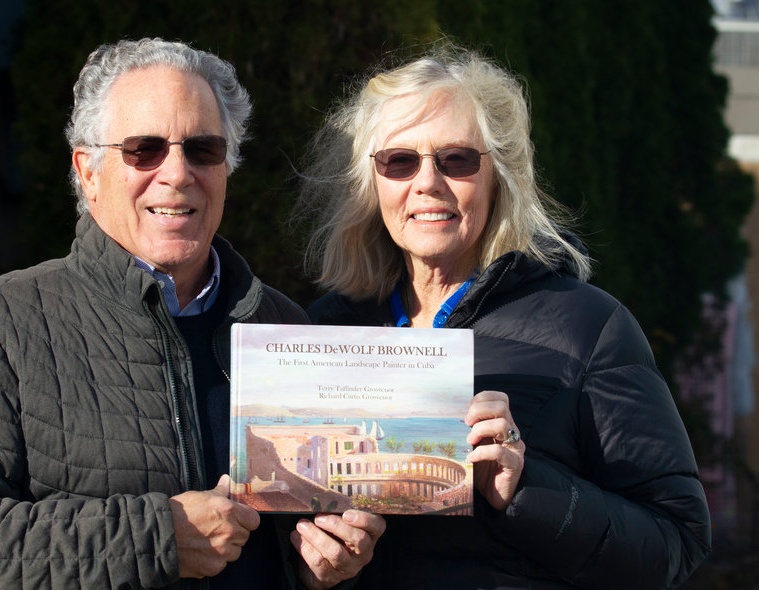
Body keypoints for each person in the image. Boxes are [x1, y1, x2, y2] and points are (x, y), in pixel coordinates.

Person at [0, 38, 383, 589]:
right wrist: (157, 537)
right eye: (144, 149)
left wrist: (323, 569)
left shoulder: (286, 329)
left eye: (203, 149)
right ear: (88, 172)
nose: (177, 173)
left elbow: (307, 542)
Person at [297, 45, 712, 589]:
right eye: (399, 161)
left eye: (457, 159)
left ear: (501, 175)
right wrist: (312, 570)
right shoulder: (319, 333)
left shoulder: (589, 328)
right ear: (369, 184)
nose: (427, 183)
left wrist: (526, 488)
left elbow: (676, 541)